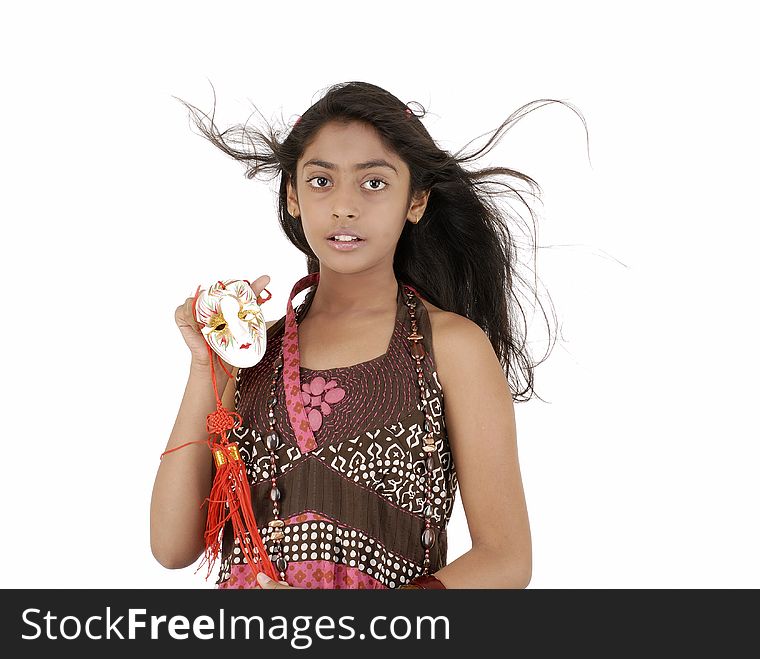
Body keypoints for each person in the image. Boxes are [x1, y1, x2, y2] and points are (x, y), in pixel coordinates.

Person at [150, 81, 588, 589]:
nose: (344, 206)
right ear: (292, 195)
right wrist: (208, 365)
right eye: (320, 181)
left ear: (417, 199)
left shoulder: (450, 348)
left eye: (374, 183)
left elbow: (507, 560)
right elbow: (171, 545)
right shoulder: (254, 353)